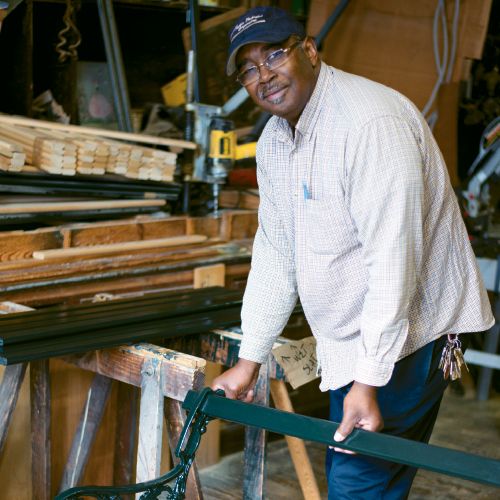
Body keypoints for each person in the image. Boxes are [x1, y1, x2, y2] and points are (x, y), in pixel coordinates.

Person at [212, 6, 495, 499]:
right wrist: (249, 359)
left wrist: (367, 381)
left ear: (309, 50)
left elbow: (392, 264)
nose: (264, 76)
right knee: (364, 473)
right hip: (355, 338)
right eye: (249, 69)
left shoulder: (370, 125)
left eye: (274, 55)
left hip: (409, 336)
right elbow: (276, 252)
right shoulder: (275, 141)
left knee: (357, 481)